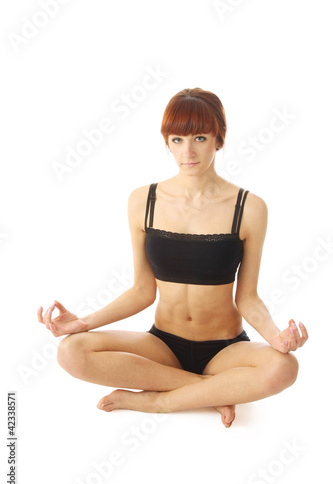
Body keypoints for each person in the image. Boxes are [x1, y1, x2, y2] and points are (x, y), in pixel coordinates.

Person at [37, 88, 308, 428]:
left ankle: (159, 401)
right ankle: (208, 393)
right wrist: (83, 323)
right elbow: (142, 290)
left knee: (285, 367)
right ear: (167, 141)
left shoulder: (249, 208)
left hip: (225, 350)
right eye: (177, 139)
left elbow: (248, 297)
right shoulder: (143, 201)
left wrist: (276, 338)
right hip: (161, 346)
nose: (188, 151)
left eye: (199, 137)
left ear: (218, 139)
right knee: (70, 351)